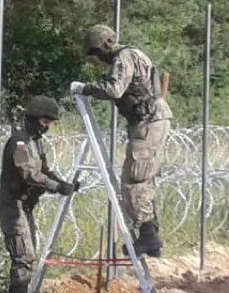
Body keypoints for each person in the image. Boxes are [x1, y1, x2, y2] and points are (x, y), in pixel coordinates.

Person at [71, 24, 171, 257]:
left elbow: (114, 89)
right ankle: (151, 234)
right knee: (145, 179)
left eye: (97, 52)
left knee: (134, 181)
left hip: (147, 122)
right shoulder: (136, 54)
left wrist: (85, 88)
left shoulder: (124, 57)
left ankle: (148, 237)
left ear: (106, 43)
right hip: (152, 120)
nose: (98, 58)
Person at [0, 96, 78, 293]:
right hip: (12, 206)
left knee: (28, 255)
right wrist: (56, 186)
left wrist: (63, 184)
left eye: (49, 123)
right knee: (23, 257)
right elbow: (28, 173)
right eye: (44, 122)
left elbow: (44, 170)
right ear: (33, 119)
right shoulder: (19, 142)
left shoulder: (35, 142)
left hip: (25, 206)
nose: (46, 127)